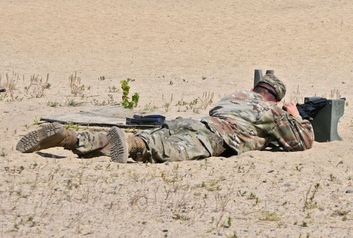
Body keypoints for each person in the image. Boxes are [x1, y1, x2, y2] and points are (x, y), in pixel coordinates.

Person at [16, 74, 313, 163]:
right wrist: (296, 117)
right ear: (276, 97)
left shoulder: (235, 95)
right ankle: (133, 146)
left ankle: (70, 137)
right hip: (217, 135)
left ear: (254, 89)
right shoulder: (269, 110)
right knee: (164, 148)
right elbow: (300, 142)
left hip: (194, 121)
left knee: (161, 135)